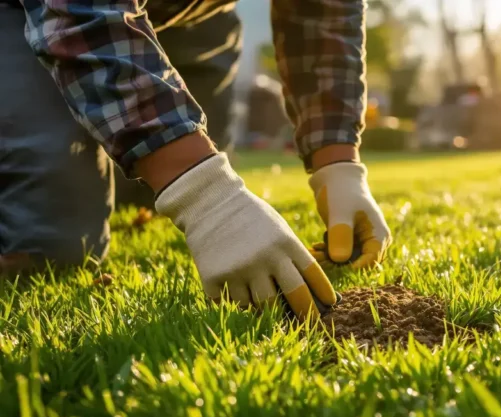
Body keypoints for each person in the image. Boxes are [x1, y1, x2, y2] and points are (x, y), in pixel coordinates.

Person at [0, 0, 392, 320]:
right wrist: (204, 195)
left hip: (192, 15)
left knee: (150, 194)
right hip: (38, 10)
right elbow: (81, 13)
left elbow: (321, 13)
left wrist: (337, 164)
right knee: (51, 246)